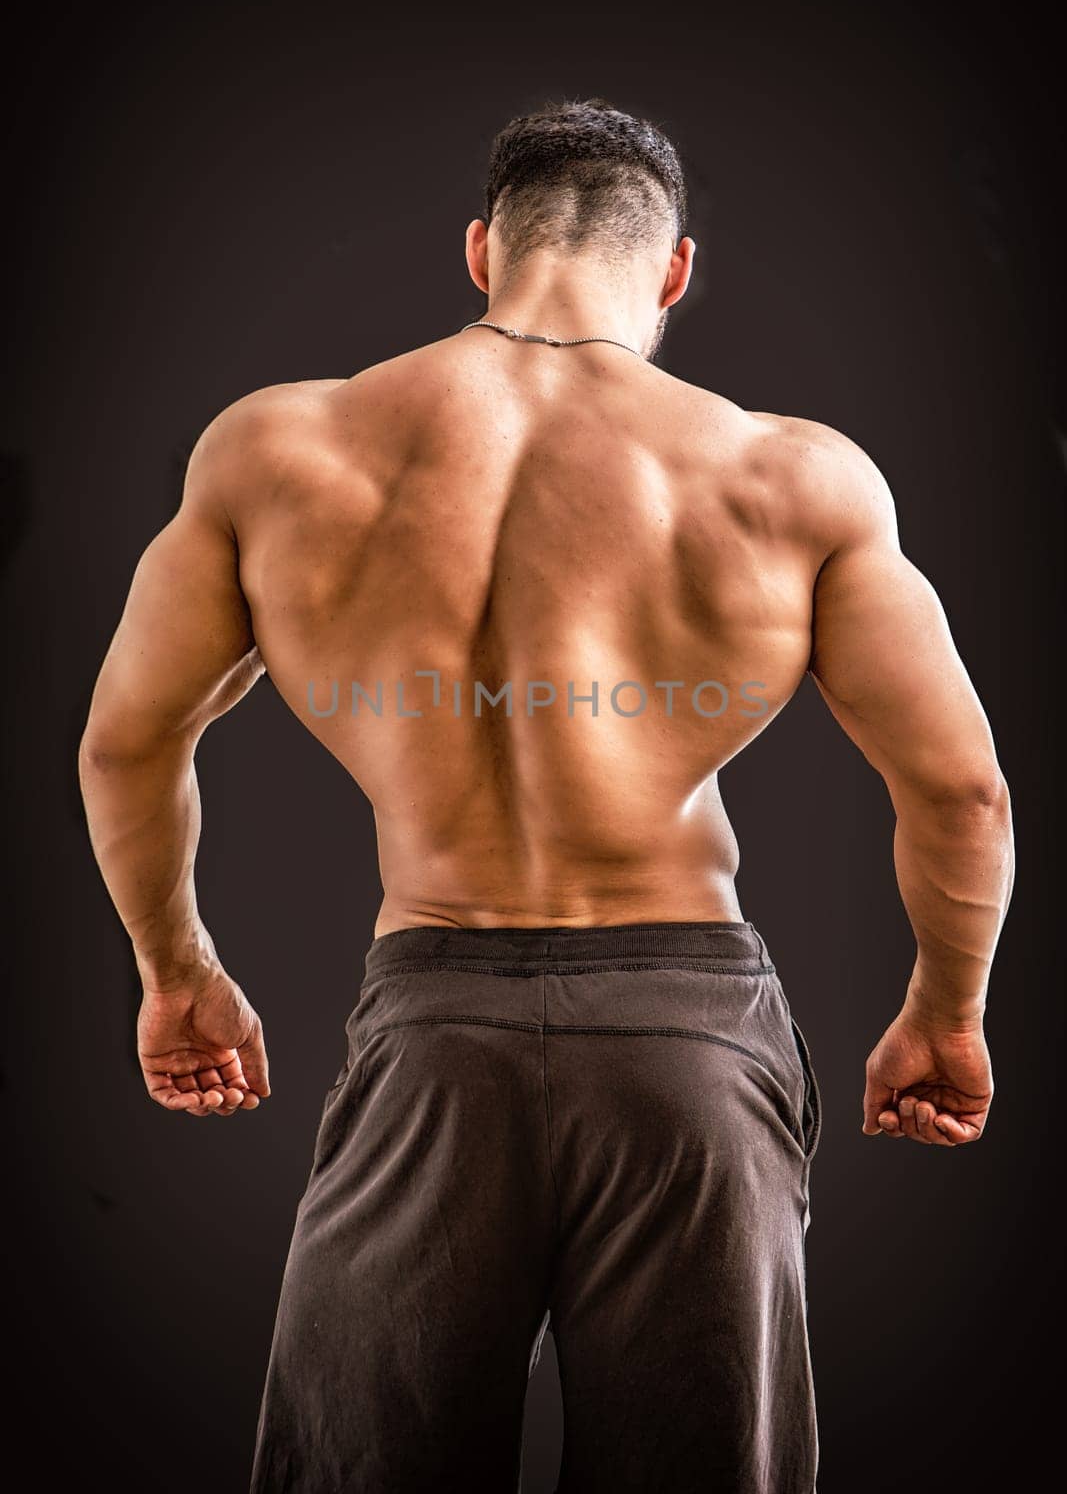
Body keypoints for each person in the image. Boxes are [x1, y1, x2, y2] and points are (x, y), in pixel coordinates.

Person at [78, 97, 1015, 1493]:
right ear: (678, 269)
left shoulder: (277, 452)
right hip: (688, 1041)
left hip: (433, 1028)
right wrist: (944, 1012)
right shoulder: (790, 475)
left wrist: (177, 970)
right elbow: (963, 792)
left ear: (480, 251)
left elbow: (127, 744)